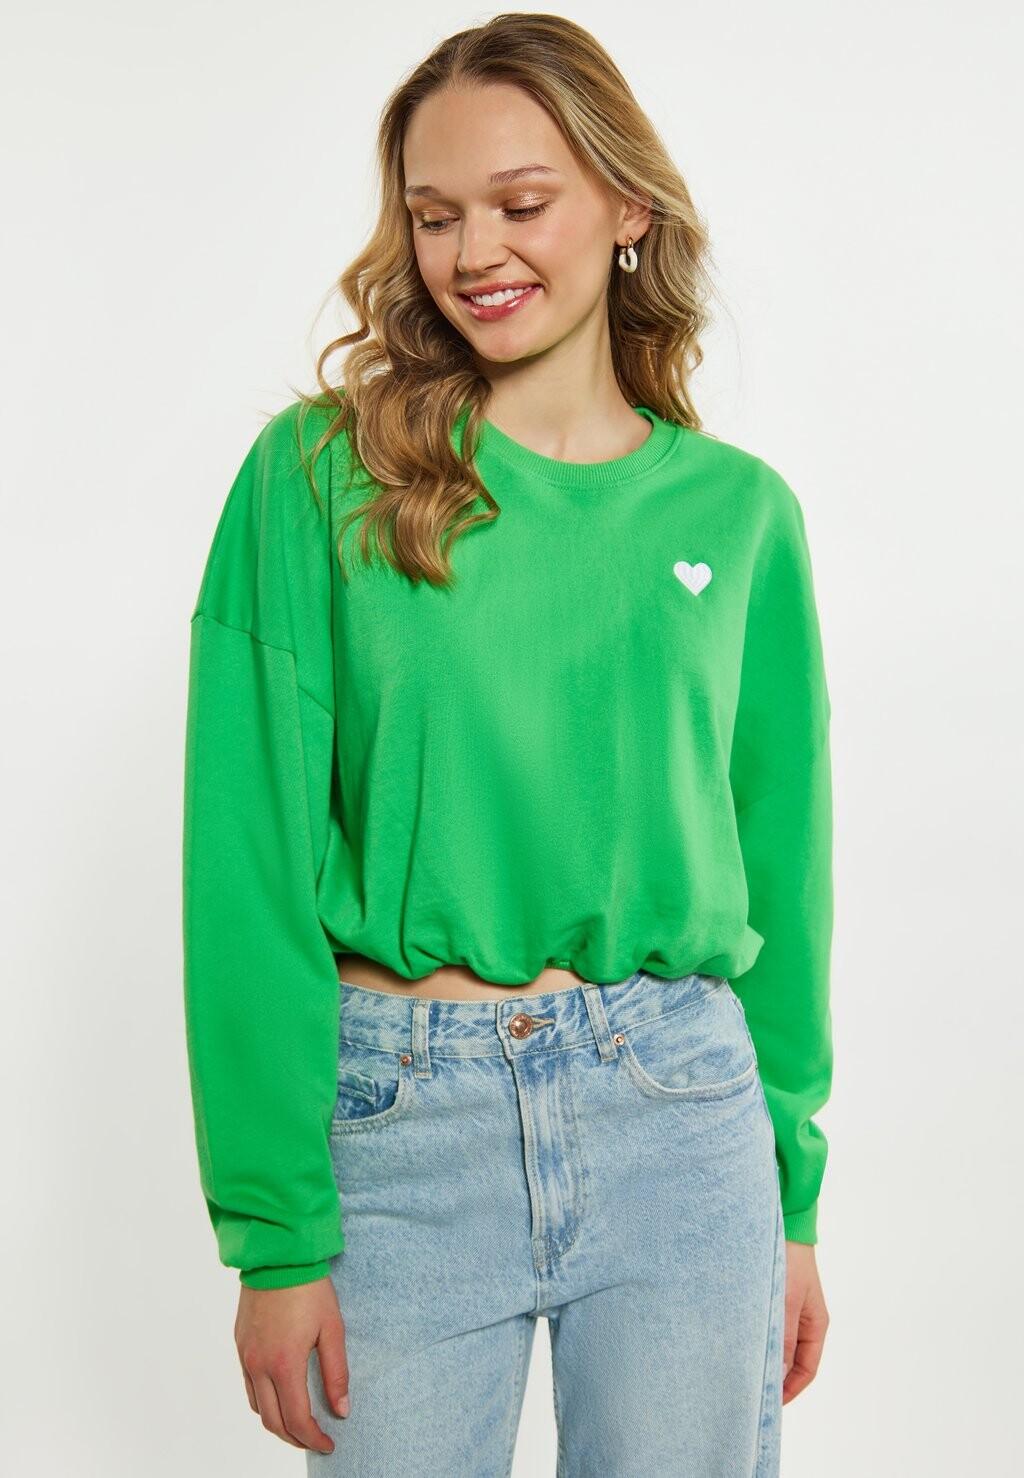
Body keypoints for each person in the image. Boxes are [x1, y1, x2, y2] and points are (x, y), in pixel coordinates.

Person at [182, 13, 834, 1475]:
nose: (474, 250)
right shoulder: (318, 477)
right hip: (402, 1125)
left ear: (626, 207)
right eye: (434, 215)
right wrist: (276, 1233)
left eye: (522, 203)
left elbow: (785, 872)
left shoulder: (739, 516)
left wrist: (793, 1202)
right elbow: (246, 857)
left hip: (682, 1117)